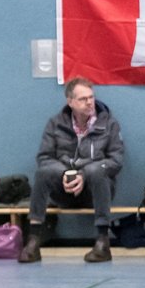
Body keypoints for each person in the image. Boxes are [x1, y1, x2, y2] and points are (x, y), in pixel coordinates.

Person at [19, 78, 125, 264]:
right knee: (43, 172)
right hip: (63, 191)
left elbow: (116, 161)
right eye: (83, 99)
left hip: (95, 191)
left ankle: (103, 242)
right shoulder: (56, 123)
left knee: (97, 170)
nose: (89, 102)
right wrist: (64, 175)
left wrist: (84, 175)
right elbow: (44, 158)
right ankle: (34, 240)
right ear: (70, 102)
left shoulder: (109, 124)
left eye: (91, 97)